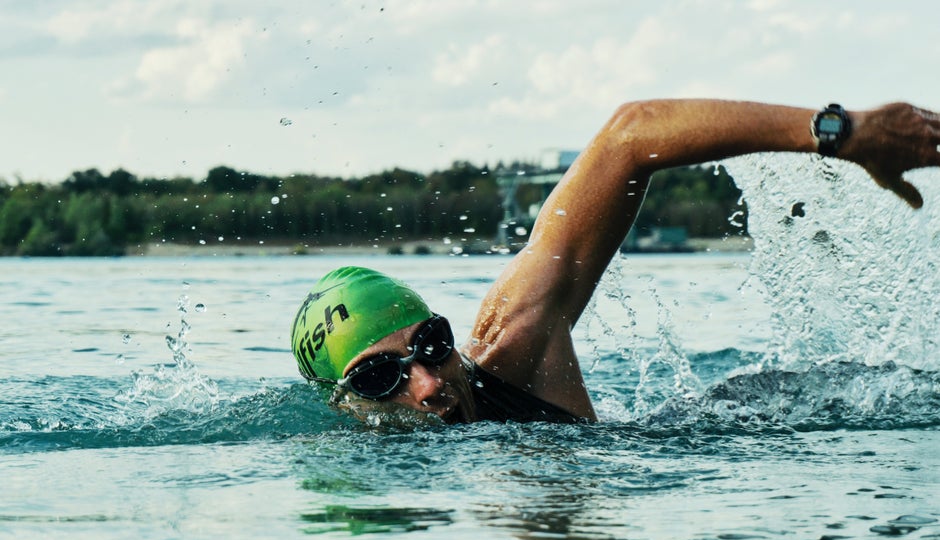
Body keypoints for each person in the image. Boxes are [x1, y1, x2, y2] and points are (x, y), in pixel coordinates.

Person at [291, 99, 940, 424]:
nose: (428, 384)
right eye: (380, 378)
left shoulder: (514, 345)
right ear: (343, 404)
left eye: (431, 345)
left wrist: (840, 133)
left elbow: (629, 135)